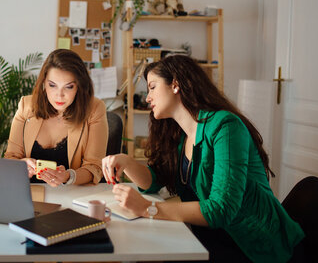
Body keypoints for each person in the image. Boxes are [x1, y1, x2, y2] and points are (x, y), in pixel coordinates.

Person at [102, 55, 304, 263]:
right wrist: (125, 161)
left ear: (175, 85)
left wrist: (147, 208)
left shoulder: (225, 126)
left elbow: (221, 209)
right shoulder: (181, 136)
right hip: (211, 235)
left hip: (252, 246)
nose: (147, 98)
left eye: (152, 87)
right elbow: (155, 180)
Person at [4, 49, 107, 186]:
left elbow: (95, 167)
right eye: (52, 85)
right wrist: (21, 165)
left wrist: (68, 176)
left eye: (69, 87)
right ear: (44, 83)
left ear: (79, 87)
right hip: (29, 193)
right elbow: (10, 158)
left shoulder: (94, 109)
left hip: (71, 196)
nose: (59, 95)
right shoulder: (26, 106)